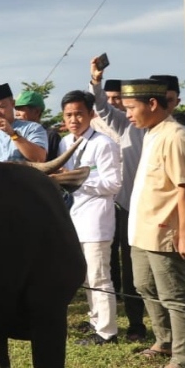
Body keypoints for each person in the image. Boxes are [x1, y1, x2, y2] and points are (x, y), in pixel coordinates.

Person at [121, 79, 185, 364]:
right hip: (141, 229)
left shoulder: (176, 136)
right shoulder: (151, 132)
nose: (127, 114)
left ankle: (182, 357)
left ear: (152, 104)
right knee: (144, 286)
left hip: (165, 230)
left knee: (174, 296)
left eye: (131, 108)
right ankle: (164, 341)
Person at [88, 61, 147, 342]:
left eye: (126, 104)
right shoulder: (116, 125)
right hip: (111, 205)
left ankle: (137, 324)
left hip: (140, 206)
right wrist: (96, 80)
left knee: (134, 267)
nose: (124, 109)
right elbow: (99, 105)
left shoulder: (164, 132)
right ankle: (103, 319)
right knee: (105, 266)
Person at [57, 90, 121, 346]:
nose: (74, 119)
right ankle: (95, 321)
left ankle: (107, 333)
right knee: (84, 276)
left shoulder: (103, 143)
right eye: (69, 115)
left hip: (96, 218)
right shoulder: (64, 142)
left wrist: (77, 179)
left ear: (91, 115)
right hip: (73, 217)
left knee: (99, 275)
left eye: (79, 114)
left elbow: (113, 183)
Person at [14, 90, 61, 161]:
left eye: (21, 109)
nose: (16, 114)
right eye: (16, 110)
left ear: (36, 112)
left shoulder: (51, 136)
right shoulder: (13, 133)